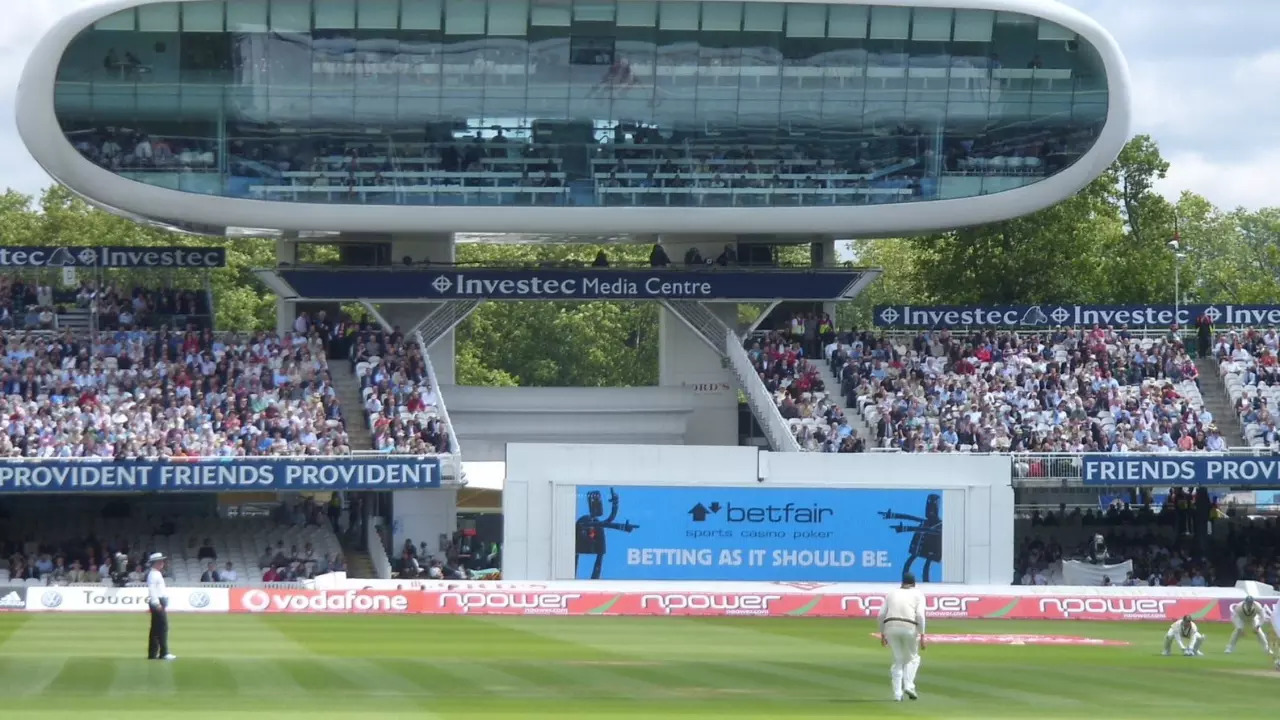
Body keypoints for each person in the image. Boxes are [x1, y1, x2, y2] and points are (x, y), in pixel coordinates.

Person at [878, 572, 926, 702]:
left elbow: (881, 614)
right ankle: (909, 686)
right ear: (914, 583)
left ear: (902, 582)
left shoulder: (891, 593)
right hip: (909, 626)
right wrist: (922, 634)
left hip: (891, 626)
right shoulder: (918, 594)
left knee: (898, 660)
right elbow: (920, 616)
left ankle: (897, 694)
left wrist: (882, 633)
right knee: (913, 658)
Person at [146, 552, 176, 661]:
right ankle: (164, 653)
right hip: (157, 602)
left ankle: (153, 653)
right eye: (160, 561)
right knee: (163, 627)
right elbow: (152, 590)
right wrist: (156, 603)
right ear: (156, 562)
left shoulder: (156, 573)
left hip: (159, 601)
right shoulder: (153, 574)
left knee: (155, 629)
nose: (162, 563)